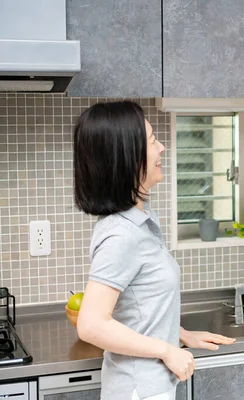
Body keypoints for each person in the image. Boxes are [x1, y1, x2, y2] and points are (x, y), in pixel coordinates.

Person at [73, 101, 235, 400]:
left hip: (150, 386)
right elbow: (91, 324)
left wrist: (180, 334)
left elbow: (139, 307)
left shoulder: (139, 221)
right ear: (128, 157)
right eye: (152, 141)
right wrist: (166, 350)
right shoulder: (122, 233)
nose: (162, 148)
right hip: (138, 390)